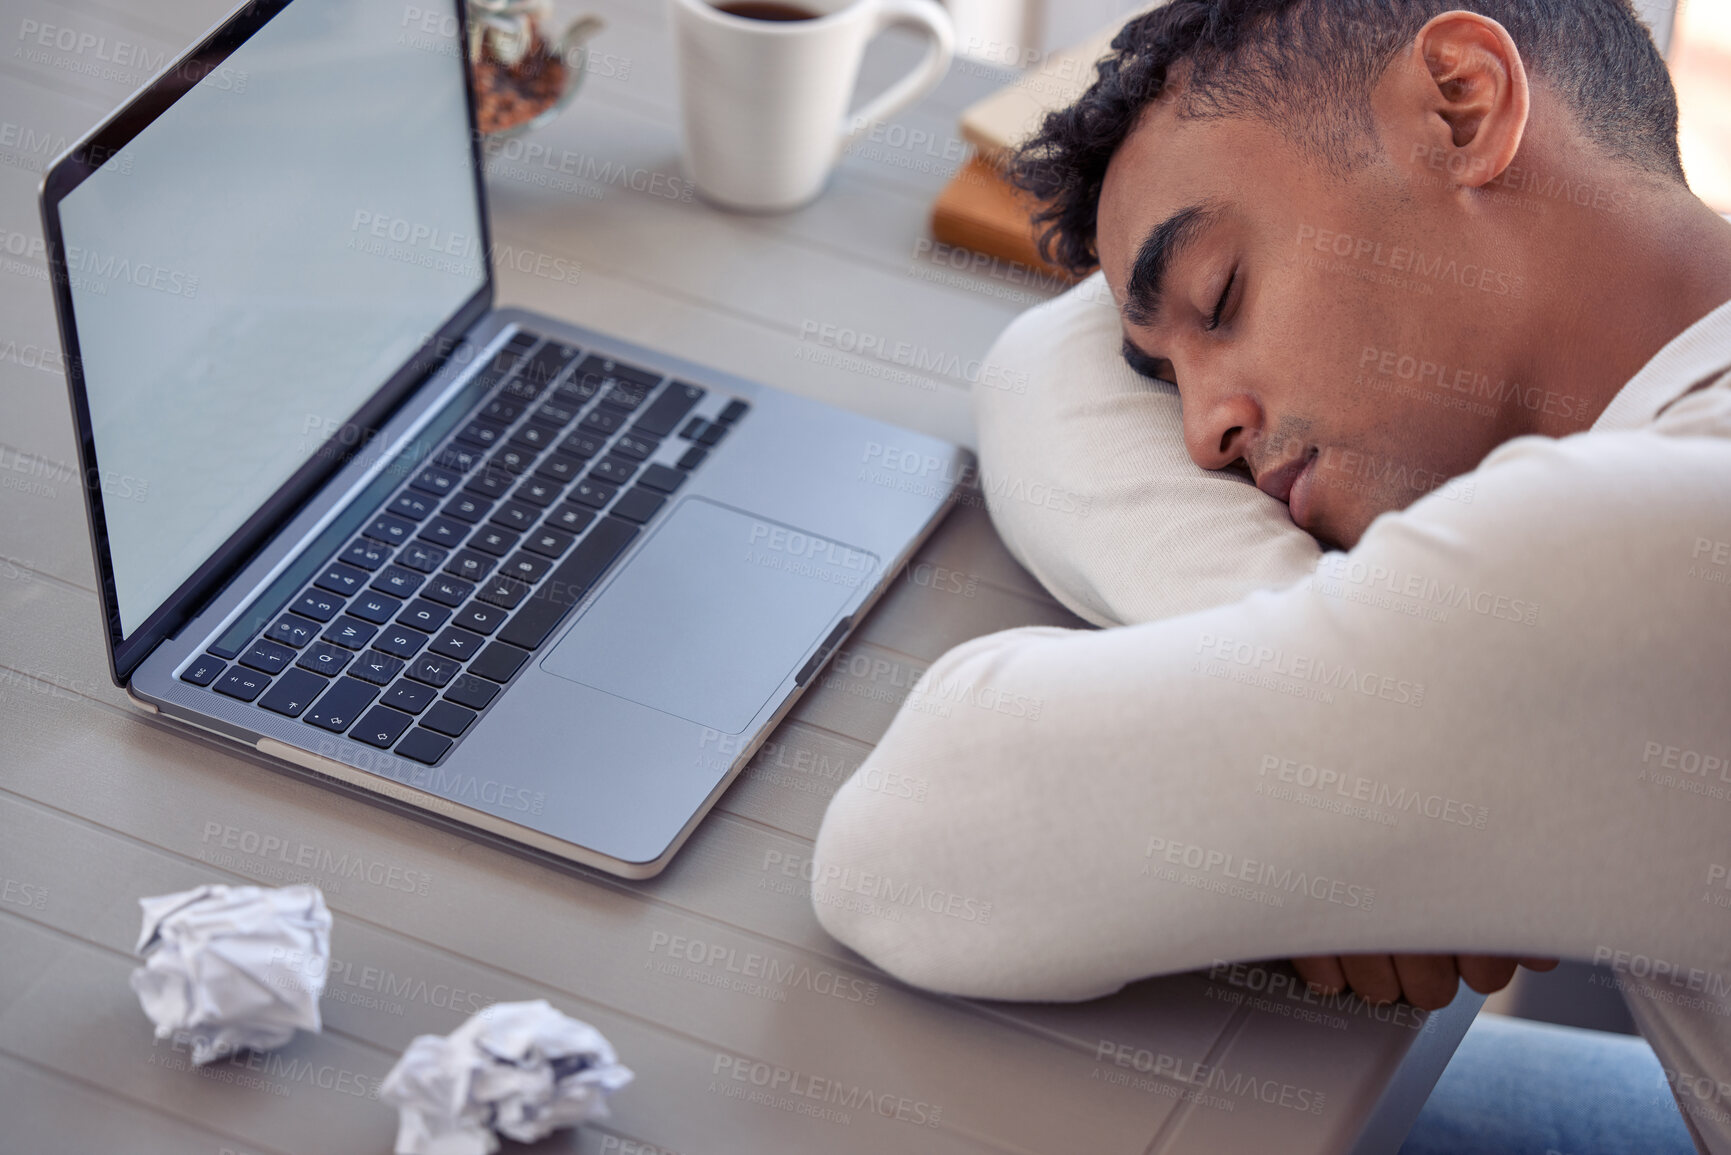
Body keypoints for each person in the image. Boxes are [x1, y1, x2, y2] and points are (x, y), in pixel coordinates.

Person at [810, 1, 1731, 1151]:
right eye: (1168, 370)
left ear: (1463, 104)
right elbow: (1046, 356)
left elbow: (910, 845)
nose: (1204, 436)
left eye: (1222, 296)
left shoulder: (1652, 547)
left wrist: (1309, 699)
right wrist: (1300, 650)